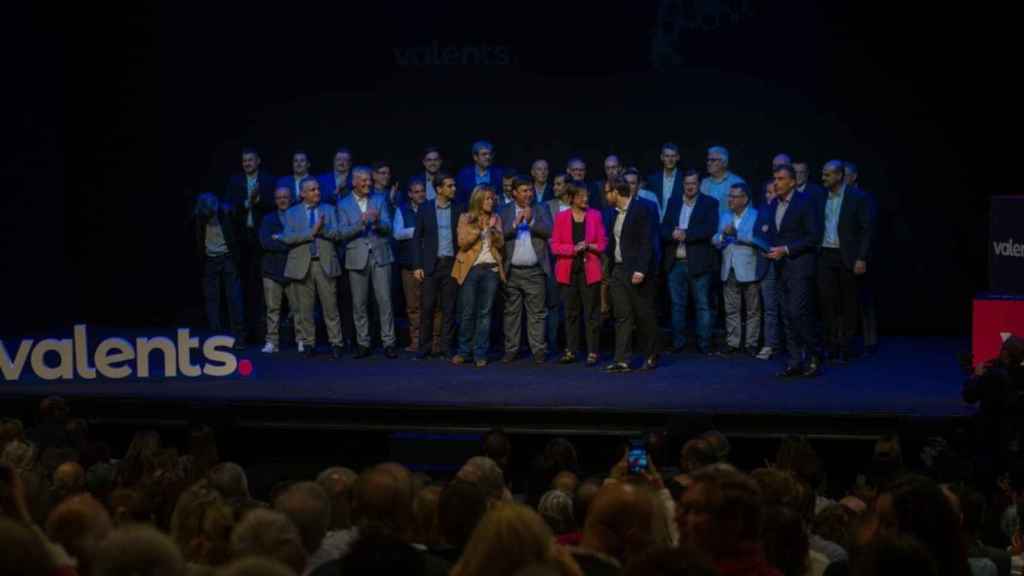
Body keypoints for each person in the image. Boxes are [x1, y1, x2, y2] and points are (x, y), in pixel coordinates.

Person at [765, 165, 822, 377]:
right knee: (787, 316)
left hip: (799, 266)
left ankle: (814, 355)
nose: (776, 183)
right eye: (775, 179)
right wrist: (768, 249)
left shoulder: (805, 203)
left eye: (780, 179)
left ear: (792, 182)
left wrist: (786, 250)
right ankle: (795, 360)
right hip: (780, 267)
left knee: (798, 313)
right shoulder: (773, 205)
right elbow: (774, 234)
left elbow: (813, 236)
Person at [280, 177, 345, 359]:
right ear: (302, 194)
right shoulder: (292, 213)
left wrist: (322, 230)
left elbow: (338, 233)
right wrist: (311, 232)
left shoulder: (329, 210)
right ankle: (308, 343)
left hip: (324, 263)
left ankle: (336, 343)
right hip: (302, 265)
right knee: (305, 308)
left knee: (330, 307)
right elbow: (287, 238)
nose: (317, 192)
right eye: (312, 190)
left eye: (318, 189)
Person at [338, 166, 398, 359]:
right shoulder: (343, 204)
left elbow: (389, 228)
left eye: (369, 180)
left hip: (380, 255)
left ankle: (389, 342)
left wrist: (378, 222)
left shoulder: (379, 200)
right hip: (357, 257)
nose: (368, 183)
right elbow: (341, 233)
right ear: (354, 182)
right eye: (363, 180)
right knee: (359, 303)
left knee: (385, 301)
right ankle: (363, 343)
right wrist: (361, 223)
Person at [817, 160, 872, 363]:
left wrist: (861, 257)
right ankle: (831, 345)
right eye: (823, 174)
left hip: (847, 256)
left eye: (827, 175)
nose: (823, 178)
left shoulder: (857, 198)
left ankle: (846, 347)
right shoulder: (821, 197)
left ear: (839, 176)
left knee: (848, 303)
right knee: (827, 302)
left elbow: (866, 230)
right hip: (825, 254)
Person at [661, 170, 719, 354]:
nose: (690, 186)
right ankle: (678, 343)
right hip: (675, 262)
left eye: (693, 183)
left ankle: (705, 345)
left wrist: (686, 234)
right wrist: (672, 233)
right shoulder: (674, 201)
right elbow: (663, 228)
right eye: (687, 183)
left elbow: (709, 229)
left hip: (698, 262)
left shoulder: (709, 203)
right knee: (677, 305)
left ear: (699, 184)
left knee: (702, 304)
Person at [551, 183, 607, 366]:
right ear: (572, 198)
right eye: (581, 196)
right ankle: (571, 350)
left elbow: (603, 243)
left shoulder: (595, 215)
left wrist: (590, 246)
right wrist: (573, 249)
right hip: (568, 271)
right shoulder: (561, 217)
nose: (585, 199)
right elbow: (555, 246)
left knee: (591, 313)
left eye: (587, 195)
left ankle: (592, 352)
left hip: (589, 271)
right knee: (570, 313)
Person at [605, 179, 659, 372]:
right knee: (622, 316)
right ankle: (622, 360)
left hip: (637, 271)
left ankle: (651, 355)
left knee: (644, 314)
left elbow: (647, 241)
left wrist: (641, 269)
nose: (605, 196)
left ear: (617, 193)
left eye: (607, 192)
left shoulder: (641, 209)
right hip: (618, 270)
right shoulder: (613, 214)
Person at [499, 177, 553, 364]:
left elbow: (549, 231)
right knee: (511, 313)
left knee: (537, 313)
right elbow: (498, 236)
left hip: (535, 271)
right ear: (514, 192)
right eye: (524, 190)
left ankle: (538, 350)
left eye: (530, 190)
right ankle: (511, 349)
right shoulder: (504, 210)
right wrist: (514, 224)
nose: (529, 194)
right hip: (511, 270)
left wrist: (531, 222)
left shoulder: (541, 208)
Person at [225, 147, 276, 342]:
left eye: (250, 160)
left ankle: (265, 333)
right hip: (241, 242)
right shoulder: (235, 181)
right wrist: (246, 203)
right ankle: (243, 332)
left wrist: (258, 201)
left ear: (258, 161)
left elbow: (276, 205)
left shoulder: (269, 180)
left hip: (262, 241)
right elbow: (228, 207)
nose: (247, 163)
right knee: (244, 288)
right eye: (244, 161)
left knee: (264, 287)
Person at [452, 185, 505, 367]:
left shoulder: (496, 218)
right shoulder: (466, 218)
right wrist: (479, 230)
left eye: (492, 199)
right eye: (487, 199)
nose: (491, 202)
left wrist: (493, 231)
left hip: (490, 269)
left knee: (485, 313)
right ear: (478, 200)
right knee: (467, 312)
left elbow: (501, 244)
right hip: (471, 269)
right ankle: (463, 351)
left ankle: (480, 353)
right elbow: (462, 243)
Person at [413, 173, 464, 360]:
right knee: (427, 307)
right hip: (430, 265)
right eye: (450, 186)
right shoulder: (425, 208)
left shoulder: (458, 208)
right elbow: (417, 238)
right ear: (439, 189)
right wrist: (417, 264)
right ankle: (424, 348)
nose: (454, 189)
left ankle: (446, 347)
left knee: (449, 308)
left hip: (451, 264)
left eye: (454, 185)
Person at [713, 182, 767, 356]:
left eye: (734, 196)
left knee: (752, 309)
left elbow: (760, 240)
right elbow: (714, 239)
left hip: (749, 269)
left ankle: (751, 343)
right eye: (729, 196)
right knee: (731, 309)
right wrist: (722, 236)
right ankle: (733, 343)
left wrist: (737, 235)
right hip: (728, 267)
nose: (730, 199)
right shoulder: (725, 216)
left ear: (744, 199)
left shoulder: (755, 215)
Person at [194, 193, 247, 348]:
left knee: (234, 298)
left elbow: (239, 234)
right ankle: (215, 339)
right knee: (212, 300)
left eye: (214, 209)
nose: (212, 213)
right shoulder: (199, 217)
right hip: (210, 261)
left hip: (227, 259)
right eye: (209, 211)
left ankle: (239, 338)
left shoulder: (227, 213)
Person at [395, 178, 439, 354]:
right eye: (416, 191)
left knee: (435, 305)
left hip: (431, 262)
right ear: (410, 194)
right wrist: (418, 230)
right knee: (413, 306)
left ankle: (435, 342)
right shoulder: (402, 210)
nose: (420, 194)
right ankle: (416, 341)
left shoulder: (432, 208)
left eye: (422, 191)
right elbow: (397, 234)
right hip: (410, 264)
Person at [258, 187, 296, 353]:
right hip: (272, 270)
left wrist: (280, 237)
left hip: (294, 269)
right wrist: (287, 241)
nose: (282, 200)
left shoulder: (297, 217)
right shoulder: (267, 219)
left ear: (291, 199)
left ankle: (302, 340)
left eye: (285, 197)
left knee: (298, 309)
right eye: (279, 198)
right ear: (275, 200)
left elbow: (301, 240)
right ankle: (272, 342)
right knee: (273, 309)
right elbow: (266, 242)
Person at [456, 141, 503, 206]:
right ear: (475, 157)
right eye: (484, 154)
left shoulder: (499, 173)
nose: (488, 157)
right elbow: (459, 199)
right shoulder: (464, 174)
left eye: (490, 154)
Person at [647, 143, 683, 219]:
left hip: (678, 223)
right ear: (662, 157)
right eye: (667, 156)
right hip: (657, 223)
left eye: (673, 156)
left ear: (678, 158)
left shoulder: (684, 179)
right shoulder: (653, 180)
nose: (670, 159)